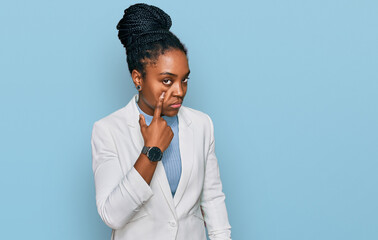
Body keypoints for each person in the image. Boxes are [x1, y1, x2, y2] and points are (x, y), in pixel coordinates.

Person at [91, 3, 231, 240]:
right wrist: (151, 151)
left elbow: (213, 200)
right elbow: (112, 215)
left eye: (184, 80)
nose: (179, 91)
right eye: (167, 81)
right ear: (138, 78)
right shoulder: (108, 130)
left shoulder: (201, 125)